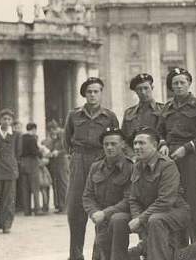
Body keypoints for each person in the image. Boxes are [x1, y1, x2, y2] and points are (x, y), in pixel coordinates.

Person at [114, 127, 196, 260]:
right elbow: (134, 199)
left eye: (141, 143)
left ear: (154, 145)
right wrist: (138, 220)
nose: (136, 146)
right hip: (151, 213)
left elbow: (165, 201)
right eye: (135, 143)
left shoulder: (167, 165)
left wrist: (140, 219)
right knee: (118, 219)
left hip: (175, 211)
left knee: (156, 220)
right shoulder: (137, 166)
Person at [64, 77, 119, 260]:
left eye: (96, 91)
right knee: (76, 209)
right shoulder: (73, 115)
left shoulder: (109, 116)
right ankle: (75, 255)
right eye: (89, 92)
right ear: (84, 94)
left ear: (101, 93)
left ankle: (100, 255)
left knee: (102, 207)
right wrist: (74, 159)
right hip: (79, 161)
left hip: (101, 161)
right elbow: (67, 141)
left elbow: (116, 141)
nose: (93, 95)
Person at [158, 67, 196, 243]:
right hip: (169, 159)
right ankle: (180, 250)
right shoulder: (166, 108)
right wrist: (163, 143)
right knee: (173, 201)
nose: (179, 86)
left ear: (189, 84)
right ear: (171, 87)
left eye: (182, 82)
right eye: (175, 83)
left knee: (193, 202)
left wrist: (187, 148)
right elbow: (159, 132)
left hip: (190, 157)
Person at [82, 127, 133, 260]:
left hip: (122, 215)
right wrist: (94, 212)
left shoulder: (131, 167)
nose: (109, 147)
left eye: (113, 144)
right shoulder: (96, 167)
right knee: (100, 251)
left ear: (122, 144)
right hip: (100, 216)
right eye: (106, 144)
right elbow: (87, 196)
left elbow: (129, 200)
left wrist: (104, 214)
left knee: (113, 247)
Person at [0, 108, 22, 234]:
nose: (6, 121)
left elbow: (19, 153)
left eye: (9, 119)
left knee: (9, 199)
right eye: (4, 119)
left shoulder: (17, 135)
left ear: (12, 121)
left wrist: (11, 164)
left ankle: (6, 225)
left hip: (10, 171)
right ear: (0, 120)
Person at [122, 73, 163, 153]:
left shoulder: (163, 110)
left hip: (158, 156)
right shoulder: (129, 113)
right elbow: (124, 139)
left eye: (146, 88)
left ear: (152, 88)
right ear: (136, 91)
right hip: (135, 157)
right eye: (139, 89)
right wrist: (132, 156)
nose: (143, 92)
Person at [43, 120, 69, 213]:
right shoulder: (56, 138)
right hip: (56, 163)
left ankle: (65, 207)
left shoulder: (63, 134)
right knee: (57, 184)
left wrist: (58, 152)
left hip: (62, 162)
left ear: (55, 129)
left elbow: (67, 148)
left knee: (63, 183)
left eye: (52, 131)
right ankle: (60, 206)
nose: (52, 133)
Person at [19, 122, 43, 216]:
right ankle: (37, 209)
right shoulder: (32, 139)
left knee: (25, 188)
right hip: (32, 163)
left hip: (23, 163)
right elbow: (35, 152)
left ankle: (27, 210)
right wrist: (40, 153)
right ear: (33, 129)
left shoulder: (22, 138)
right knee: (35, 187)